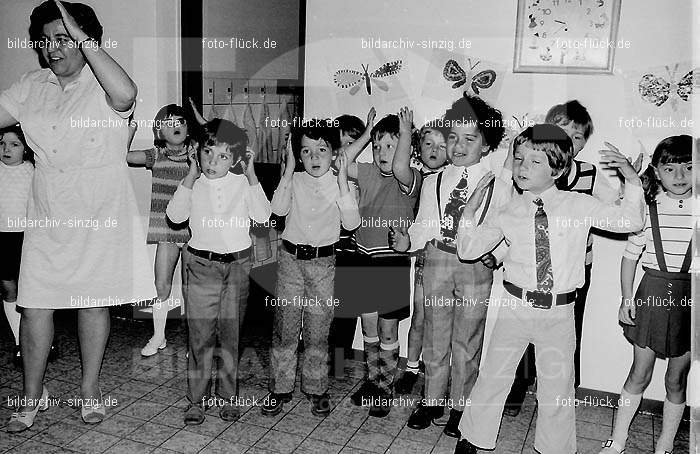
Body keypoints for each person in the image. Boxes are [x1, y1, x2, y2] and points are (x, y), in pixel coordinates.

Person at [2, 0, 155, 432]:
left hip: (98, 208)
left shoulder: (102, 83)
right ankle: (33, 396)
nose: (53, 48)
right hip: (49, 207)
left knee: (92, 304)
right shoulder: (31, 85)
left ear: (86, 42)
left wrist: (83, 39)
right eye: (46, 40)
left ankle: (89, 389)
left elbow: (127, 95)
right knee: (33, 307)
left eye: (63, 38)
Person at [453, 124, 644, 454]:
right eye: (519, 159)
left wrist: (632, 180)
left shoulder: (578, 206)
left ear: (558, 168)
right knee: (493, 377)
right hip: (515, 307)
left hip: (558, 312)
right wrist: (469, 213)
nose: (522, 167)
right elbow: (468, 250)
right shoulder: (508, 210)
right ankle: (473, 438)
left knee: (557, 389)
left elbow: (631, 222)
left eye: (534, 161)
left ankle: (553, 449)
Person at [391, 97, 508, 438]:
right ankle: (431, 401)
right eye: (453, 137)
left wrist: (496, 255)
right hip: (438, 261)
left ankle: (460, 407)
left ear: (486, 145)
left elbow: (505, 228)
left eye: (470, 139)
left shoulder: (497, 185)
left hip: (474, 268)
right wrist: (406, 242)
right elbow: (425, 224)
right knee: (435, 336)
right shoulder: (435, 180)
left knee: (466, 342)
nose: (458, 146)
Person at [166, 119, 271, 425]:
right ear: (197, 152)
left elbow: (264, 215)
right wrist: (189, 175)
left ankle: (228, 396)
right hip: (201, 266)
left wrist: (251, 174)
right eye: (208, 153)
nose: (213, 162)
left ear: (237, 159)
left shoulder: (243, 183)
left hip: (237, 266)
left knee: (230, 335)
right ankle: (197, 400)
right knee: (200, 336)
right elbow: (174, 216)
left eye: (223, 156)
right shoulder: (193, 185)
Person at [600, 135, 692, 454]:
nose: (679, 177)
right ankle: (618, 441)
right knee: (639, 372)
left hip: (689, 301)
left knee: (675, 380)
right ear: (656, 170)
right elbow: (630, 256)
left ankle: (665, 444)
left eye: (689, 168)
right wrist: (627, 298)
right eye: (670, 168)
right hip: (650, 294)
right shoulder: (647, 210)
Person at [262, 121, 360, 417]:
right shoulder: (294, 180)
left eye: (321, 150)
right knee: (285, 328)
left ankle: (316, 389)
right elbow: (277, 211)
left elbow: (352, 224)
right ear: (298, 155)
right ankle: (279, 388)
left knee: (318, 331)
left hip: (322, 265)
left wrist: (342, 179)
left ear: (334, 154)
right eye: (306, 151)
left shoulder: (343, 185)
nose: (314, 157)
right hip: (290, 262)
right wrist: (288, 170)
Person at [344, 109, 422, 417]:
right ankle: (373, 381)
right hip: (364, 260)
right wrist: (366, 135)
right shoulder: (366, 172)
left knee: (389, 332)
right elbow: (340, 163)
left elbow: (400, 164)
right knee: (369, 328)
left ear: (404, 147)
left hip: (391, 265)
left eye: (390, 145)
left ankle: (385, 388)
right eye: (377, 146)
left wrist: (404, 135)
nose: (381, 152)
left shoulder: (409, 179)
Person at [127, 104, 197, 356]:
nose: (176, 125)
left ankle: (194, 342)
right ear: (159, 130)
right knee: (161, 286)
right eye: (169, 122)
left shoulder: (199, 153)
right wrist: (130, 130)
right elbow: (122, 156)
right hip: (166, 231)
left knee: (193, 289)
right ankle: (158, 337)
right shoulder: (156, 155)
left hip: (194, 233)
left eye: (181, 121)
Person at [393, 118, 449, 395]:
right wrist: (405, 134)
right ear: (418, 148)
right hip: (424, 257)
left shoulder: (456, 178)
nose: (435, 150)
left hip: (451, 260)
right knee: (420, 317)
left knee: (444, 323)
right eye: (428, 143)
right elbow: (399, 168)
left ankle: (438, 373)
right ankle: (412, 368)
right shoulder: (417, 178)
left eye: (442, 144)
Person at [0, 126, 34, 367]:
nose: (6, 149)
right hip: (2, 238)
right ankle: (19, 341)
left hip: (26, 237)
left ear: (25, 149)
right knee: (8, 287)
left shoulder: (32, 172)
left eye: (14, 144)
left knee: (28, 291)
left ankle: (34, 339)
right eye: (2, 143)